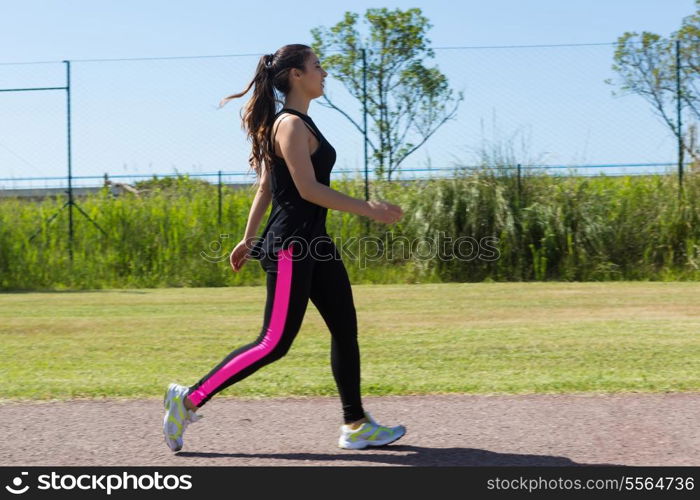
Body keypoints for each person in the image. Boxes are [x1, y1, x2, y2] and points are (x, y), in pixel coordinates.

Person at [162, 44, 406, 453]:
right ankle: (187, 400)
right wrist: (368, 209)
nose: (323, 72)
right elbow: (308, 190)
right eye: (317, 66)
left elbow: (266, 186)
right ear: (296, 74)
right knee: (273, 342)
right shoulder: (290, 125)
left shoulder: (300, 124)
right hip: (292, 246)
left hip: (316, 244)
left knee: (345, 330)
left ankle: (357, 424)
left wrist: (248, 237)